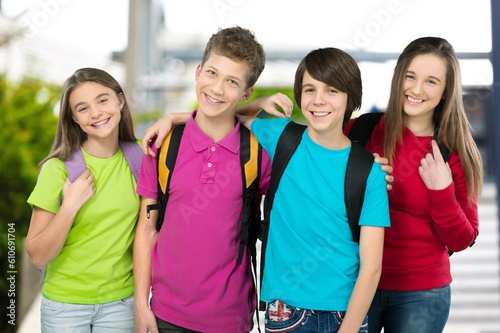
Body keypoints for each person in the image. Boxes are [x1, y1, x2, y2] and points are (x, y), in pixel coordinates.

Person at [142, 47, 391, 333]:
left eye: (332, 90)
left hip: (346, 312)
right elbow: (218, 114)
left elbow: (372, 267)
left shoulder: (369, 171)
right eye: (310, 89)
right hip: (285, 312)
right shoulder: (280, 137)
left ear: (351, 97)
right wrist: (176, 118)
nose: (319, 100)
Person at [133, 26, 280, 333]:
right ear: (198, 72)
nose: (217, 88)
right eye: (212, 73)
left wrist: (367, 164)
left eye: (232, 82)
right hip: (165, 315)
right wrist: (140, 306)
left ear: (246, 93)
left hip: (231, 318)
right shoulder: (162, 147)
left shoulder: (257, 154)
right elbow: (147, 230)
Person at [344, 37, 483, 333]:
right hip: (355, 283)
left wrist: (442, 192)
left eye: (431, 81)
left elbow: (463, 238)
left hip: (421, 295)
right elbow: (304, 157)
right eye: (410, 76)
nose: (416, 90)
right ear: (399, 78)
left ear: (446, 91)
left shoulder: (455, 151)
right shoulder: (361, 131)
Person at [25, 67, 141, 332]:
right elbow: (38, 256)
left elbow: (201, 125)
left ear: (120, 101)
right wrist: (70, 206)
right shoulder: (58, 170)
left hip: (121, 304)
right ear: (74, 118)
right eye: (83, 108)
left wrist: (172, 119)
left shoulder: (142, 156)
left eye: (103, 100)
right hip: (65, 307)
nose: (97, 113)